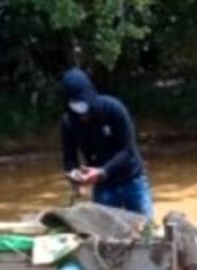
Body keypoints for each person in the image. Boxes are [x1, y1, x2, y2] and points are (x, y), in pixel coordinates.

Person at [60, 67, 153, 218]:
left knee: (146, 232)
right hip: (104, 188)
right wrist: (74, 175)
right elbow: (69, 157)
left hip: (132, 181)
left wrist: (103, 171)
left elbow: (128, 150)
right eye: (77, 112)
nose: (83, 117)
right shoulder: (69, 123)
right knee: (106, 238)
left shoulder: (113, 109)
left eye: (86, 111)